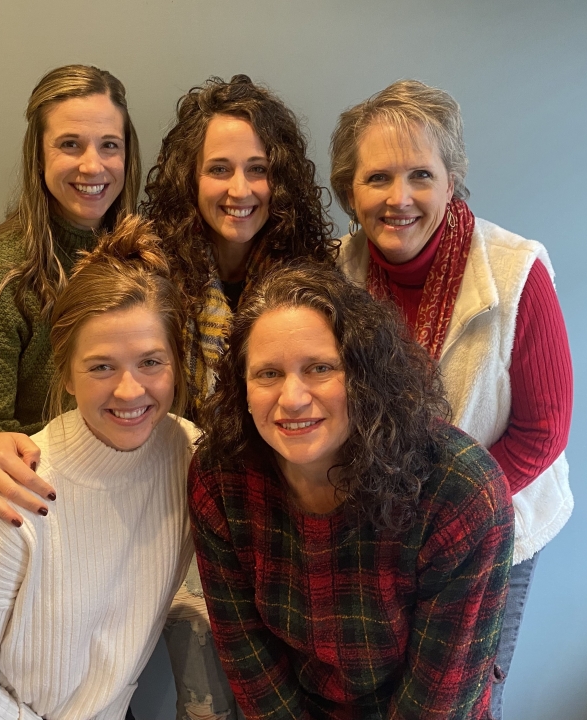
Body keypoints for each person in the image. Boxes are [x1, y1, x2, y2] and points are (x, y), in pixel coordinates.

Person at [0, 216, 198, 720]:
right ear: (67, 375)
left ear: (177, 363)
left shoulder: (187, 455)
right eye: (101, 366)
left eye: (151, 362)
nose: (129, 390)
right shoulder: (13, 486)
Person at [329, 79, 573, 718]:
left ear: (452, 179)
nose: (399, 198)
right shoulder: (335, 276)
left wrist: (446, 514)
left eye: (421, 175)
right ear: (349, 191)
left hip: (494, 526)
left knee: (462, 700)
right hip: (376, 532)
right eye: (377, 178)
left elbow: (543, 431)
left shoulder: (516, 269)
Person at [189, 263, 515, 719]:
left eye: (320, 368)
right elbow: (249, 660)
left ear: (364, 375)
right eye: (267, 374)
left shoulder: (459, 493)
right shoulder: (220, 477)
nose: (293, 398)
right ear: (241, 388)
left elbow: (438, 703)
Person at [141, 75, 338, 720]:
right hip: (174, 518)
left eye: (258, 169)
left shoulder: (313, 277)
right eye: (219, 169)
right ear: (188, 179)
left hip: (283, 524)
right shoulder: (150, 272)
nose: (239, 189)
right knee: (206, 701)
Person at [0, 63, 141, 574]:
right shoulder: (1, 273)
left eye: (109, 145)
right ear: (37, 156)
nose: (93, 165)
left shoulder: (141, 262)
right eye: (69, 145)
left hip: (77, 506)